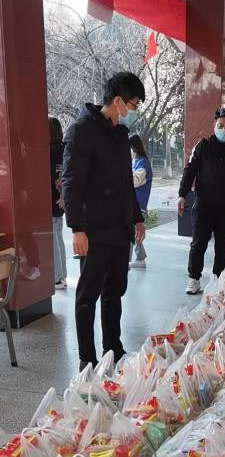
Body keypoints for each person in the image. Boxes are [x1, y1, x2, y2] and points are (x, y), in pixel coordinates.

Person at [62, 72, 146, 371]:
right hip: (94, 230)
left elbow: (126, 183)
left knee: (115, 292)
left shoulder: (120, 135)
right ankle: (87, 358)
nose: (134, 111)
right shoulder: (81, 131)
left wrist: (136, 218)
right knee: (88, 296)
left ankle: (114, 348)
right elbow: (71, 183)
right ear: (118, 101)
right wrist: (77, 228)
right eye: (133, 105)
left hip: (120, 229)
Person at [178, 107, 225, 294]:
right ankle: (194, 279)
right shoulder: (203, 146)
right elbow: (190, 171)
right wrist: (182, 194)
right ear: (214, 125)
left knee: (223, 246)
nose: (224, 129)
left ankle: (218, 280)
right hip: (203, 206)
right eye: (220, 125)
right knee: (198, 244)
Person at [49, 117, 67, 290]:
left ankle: (56, 278)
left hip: (51, 198)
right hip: (61, 199)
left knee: (53, 239)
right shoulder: (64, 148)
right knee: (58, 236)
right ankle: (62, 276)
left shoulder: (48, 151)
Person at [129, 133, 152, 269]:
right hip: (134, 203)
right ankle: (140, 258)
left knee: (131, 232)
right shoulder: (136, 161)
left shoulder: (142, 162)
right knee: (133, 232)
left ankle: (135, 259)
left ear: (133, 147)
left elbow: (136, 181)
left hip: (138, 204)